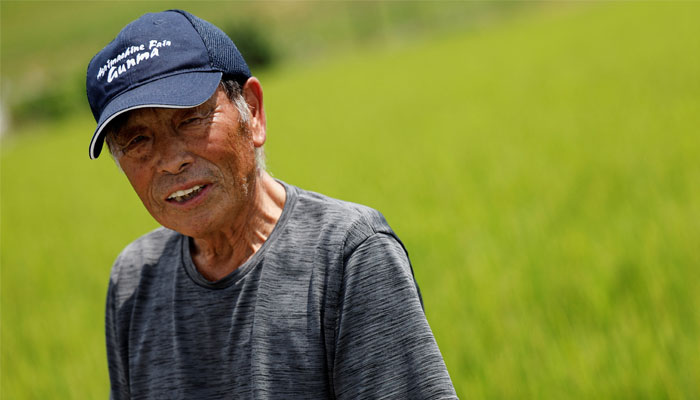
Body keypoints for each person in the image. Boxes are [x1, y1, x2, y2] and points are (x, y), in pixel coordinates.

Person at [86, 9, 457, 399]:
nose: (170, 159)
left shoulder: (349, 257)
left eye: (191, 119)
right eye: (136, 140)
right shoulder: (134, 280)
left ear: (253, 111)